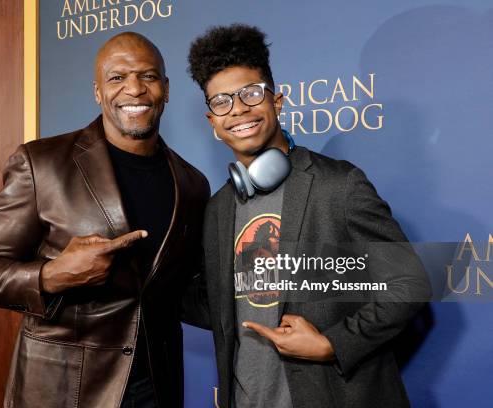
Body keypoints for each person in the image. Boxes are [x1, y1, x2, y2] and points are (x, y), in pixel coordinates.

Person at [0, 32, 209, 408]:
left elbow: (183, 291)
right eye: (117, 77)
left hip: (156, 387)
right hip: (63, 387)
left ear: (166, 89)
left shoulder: (191, 184)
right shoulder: (42, 163)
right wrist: (52, 274)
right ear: (97, 91)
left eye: (148, 76)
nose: (134, 89)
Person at [183, 24, 431, 408]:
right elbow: (217, 305)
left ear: (277, 102)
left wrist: (333, 343)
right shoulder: (218, 209)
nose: (238, 110)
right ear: (212, 123)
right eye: (221, 102)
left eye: (251, 93)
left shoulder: (340, 184)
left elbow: (409, 283)